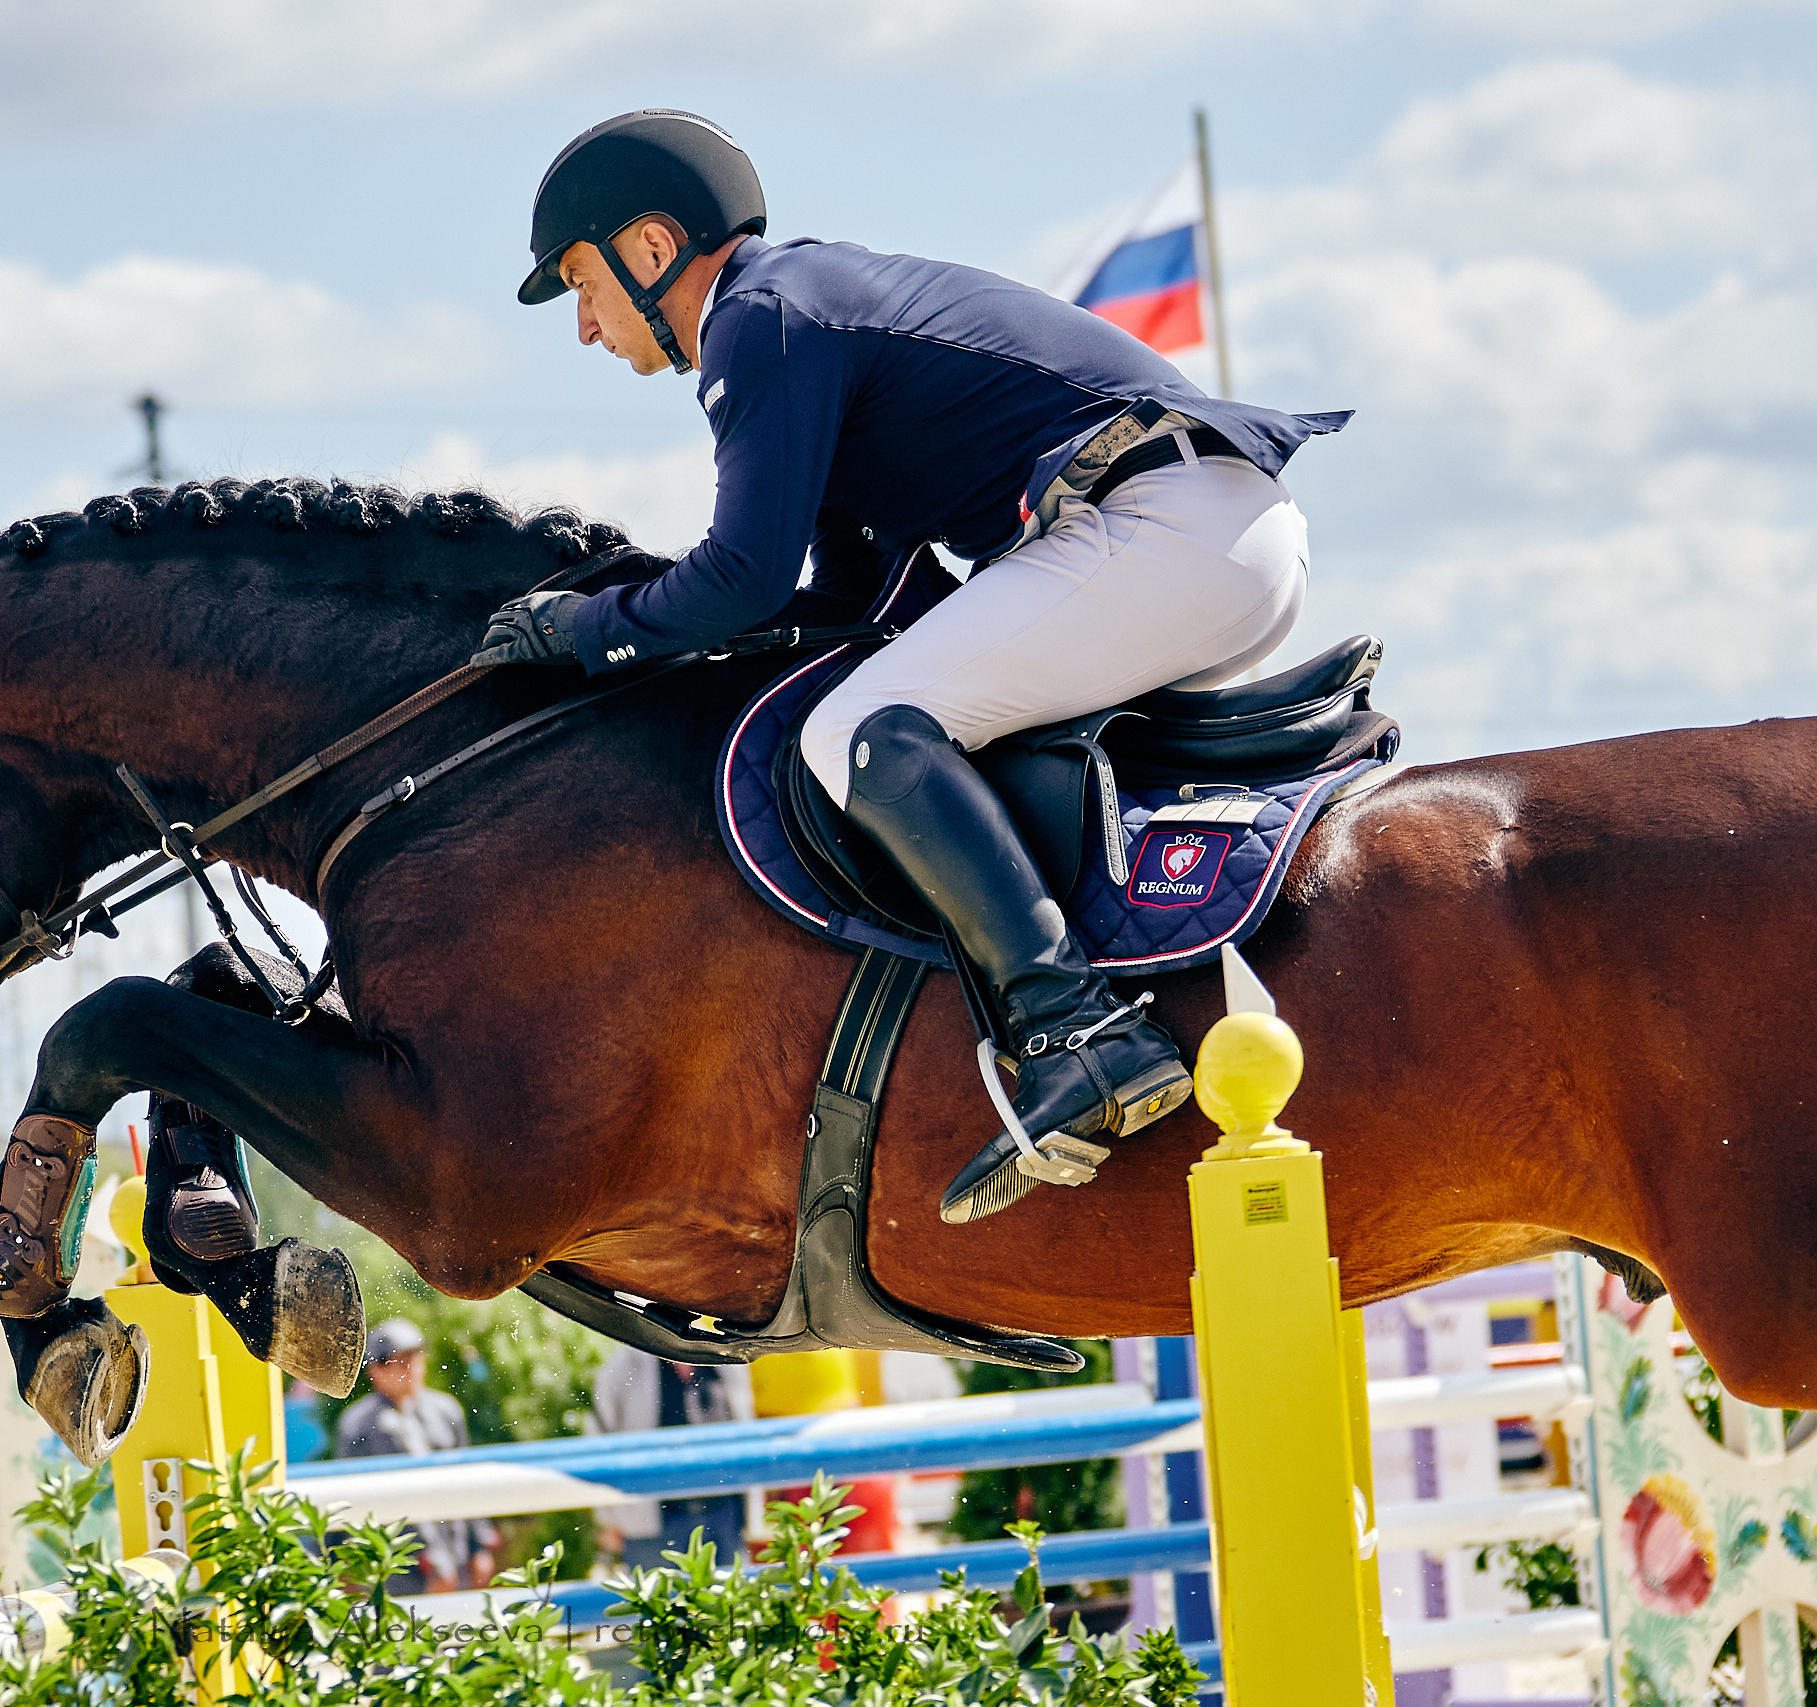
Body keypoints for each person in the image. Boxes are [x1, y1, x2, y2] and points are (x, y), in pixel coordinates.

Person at [478, 111, 1345, 1225]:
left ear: (651, 250)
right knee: (877, 712)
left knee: (857, 734)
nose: (588, 328)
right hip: (1202, 529)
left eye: (582, 285)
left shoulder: (758, 320)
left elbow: (740, 579)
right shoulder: (794, 311)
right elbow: (847, 595)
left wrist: (581, 630)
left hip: (1164, 530)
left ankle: (1072, 1030)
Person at [333, 1319, 497, 1595]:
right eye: (396, 1361)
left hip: (455, 1554)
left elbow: (466, 1482)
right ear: (375, 1370)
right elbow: (360, 1503)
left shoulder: (445, 1411)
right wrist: (428, 1560)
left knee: (461, 1631)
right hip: (397, 1565)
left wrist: (479, 1546)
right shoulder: (359, 1424)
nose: (408, 1368)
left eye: (413, 1357)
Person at [587, 1346, 755, 1570]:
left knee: (730, 1600)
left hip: (723, 1516)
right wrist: (608, 1518)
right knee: (661, 1602)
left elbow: (745, 1429)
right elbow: (600, 1437)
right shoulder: (627, 1363)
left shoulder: (726, 1355)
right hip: (654, 1524)